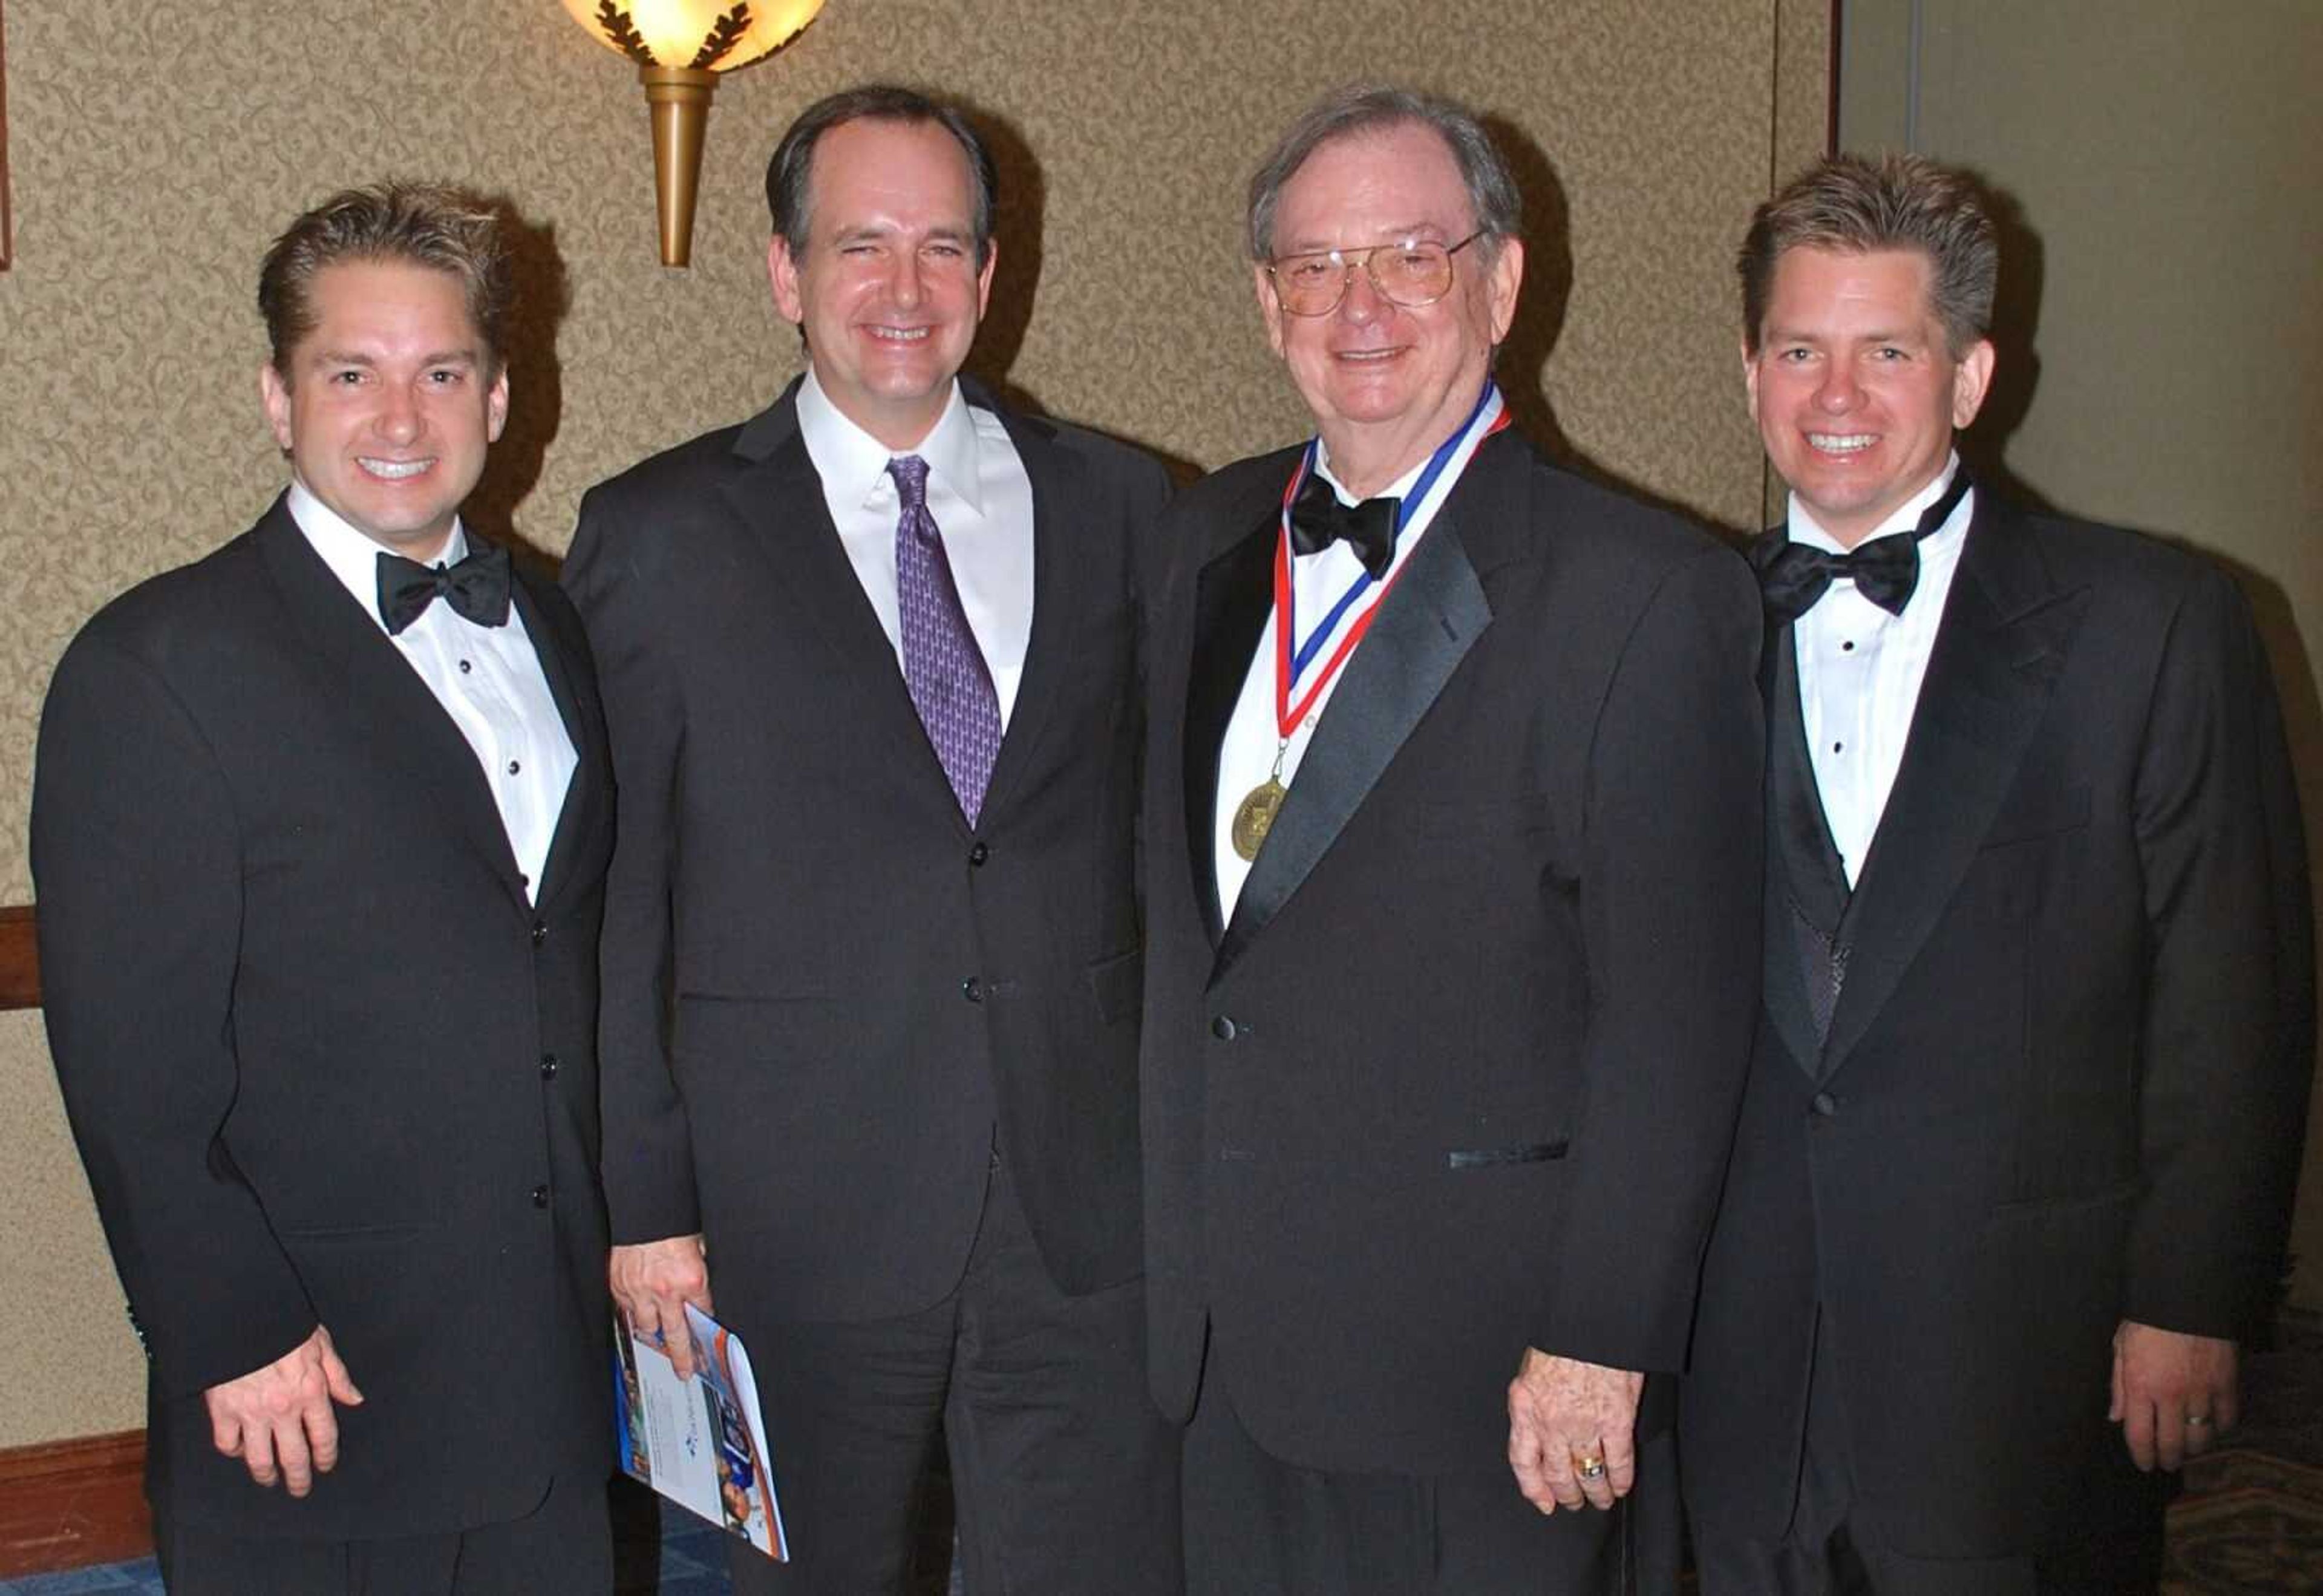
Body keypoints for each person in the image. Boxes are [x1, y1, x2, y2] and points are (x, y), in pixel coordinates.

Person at [1137, 83, 1765, 1593]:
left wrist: (1601, 1340)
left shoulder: (1643, 593)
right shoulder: (1200, 541)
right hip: (1216, 1348)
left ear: (1500, 279)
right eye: (1313, 264)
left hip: (1484, 1375)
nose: (1357, 304)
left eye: (1410, 255)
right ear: (1265, 298)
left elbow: (1677, 1017)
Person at [563, 84, 1179, 1595]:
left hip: (1076, 1199)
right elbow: (619, 901)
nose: (905, 289)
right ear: (784, 273)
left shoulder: (1123, 505)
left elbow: (1160, 850)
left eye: (945, 247)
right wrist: (648, 1211)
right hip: (791, 1210)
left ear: (990, 272)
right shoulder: (660, 533)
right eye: (861, 246)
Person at [1681, 151, 2316, 1595]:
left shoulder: (2152, 624)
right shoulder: (1670, 628)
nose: (1836, 396)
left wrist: (2192, 1300)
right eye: (1800, 349)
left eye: (1887, 351)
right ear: (1751, 368)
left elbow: (2237, 992)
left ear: (1969, 375)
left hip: (2023, 1360)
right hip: (1741, 1367)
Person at [31, 182, 616, 1594]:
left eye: (441, 372)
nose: (400, 420)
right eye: (350, 374)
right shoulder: (157, 666)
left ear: (498, 397)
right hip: (312, 1375)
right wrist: (228, 1322)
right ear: (279, 400)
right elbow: (130, 1063)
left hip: (541, 1367)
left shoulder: (552, 620)